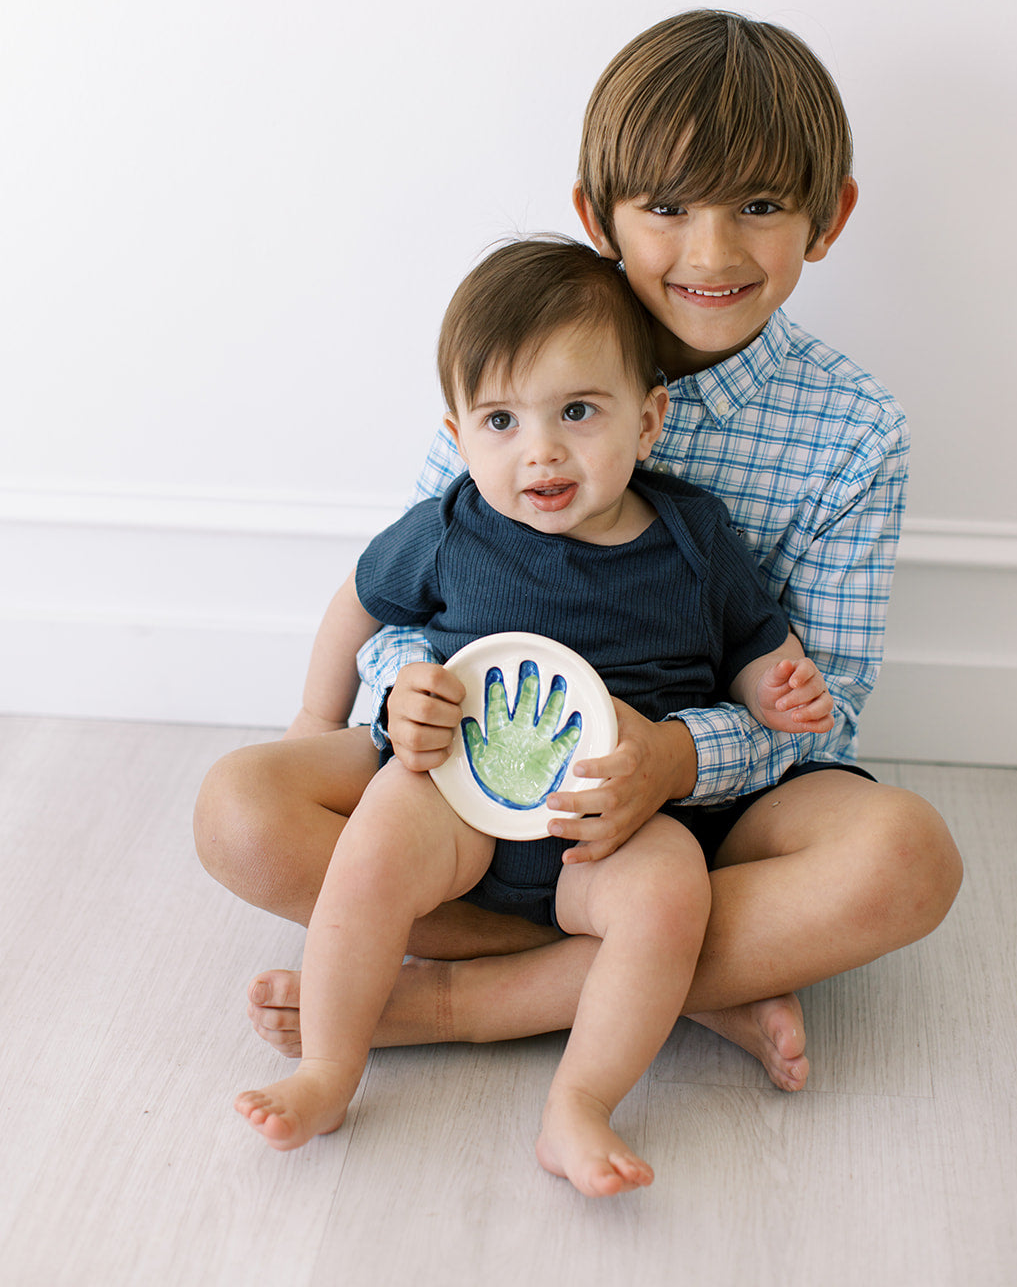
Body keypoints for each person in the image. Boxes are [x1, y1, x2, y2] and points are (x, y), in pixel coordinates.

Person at [195, 8, 962, 1108]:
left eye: (757, 205)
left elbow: (823, 704)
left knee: (906, 858)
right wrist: (402, 693)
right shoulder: (511, 360)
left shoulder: (851, 428)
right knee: (236, 807)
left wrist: (676, 757)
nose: (710, 251)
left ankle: (459, 999)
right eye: (664, 208)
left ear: (826, 218)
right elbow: (409, 594)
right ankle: (677, 984)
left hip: (687, 808)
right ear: (595, 214)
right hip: (472, 781)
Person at [234, 238, 836, 1195]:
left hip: (608, 825)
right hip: (456, 800)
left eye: (579, 413)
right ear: (459, 432)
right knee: (371, 856)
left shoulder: (694, 538)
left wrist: (778, 689)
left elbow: (754, 645)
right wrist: (320, 714)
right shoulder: (451, 524)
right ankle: (327, 1071)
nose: (540, 449)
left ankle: (580, 1102)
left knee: (669, 895)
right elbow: (359, 600)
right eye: (501, 420)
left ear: (648, 421)